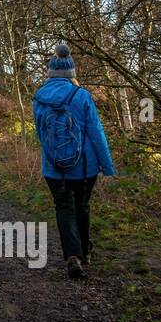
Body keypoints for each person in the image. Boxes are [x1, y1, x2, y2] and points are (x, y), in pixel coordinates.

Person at [32, 44, 116, 279]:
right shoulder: (82, 96)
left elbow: (40, 133)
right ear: (72, 72)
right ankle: (85, 252)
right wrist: (107, 166)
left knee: (63, 208)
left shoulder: (39, 98)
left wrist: (51, 158)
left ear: (50, 72)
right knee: (82, 206)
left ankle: (73, 256)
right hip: (84, 166)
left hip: (53, 167)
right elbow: (96, 132)